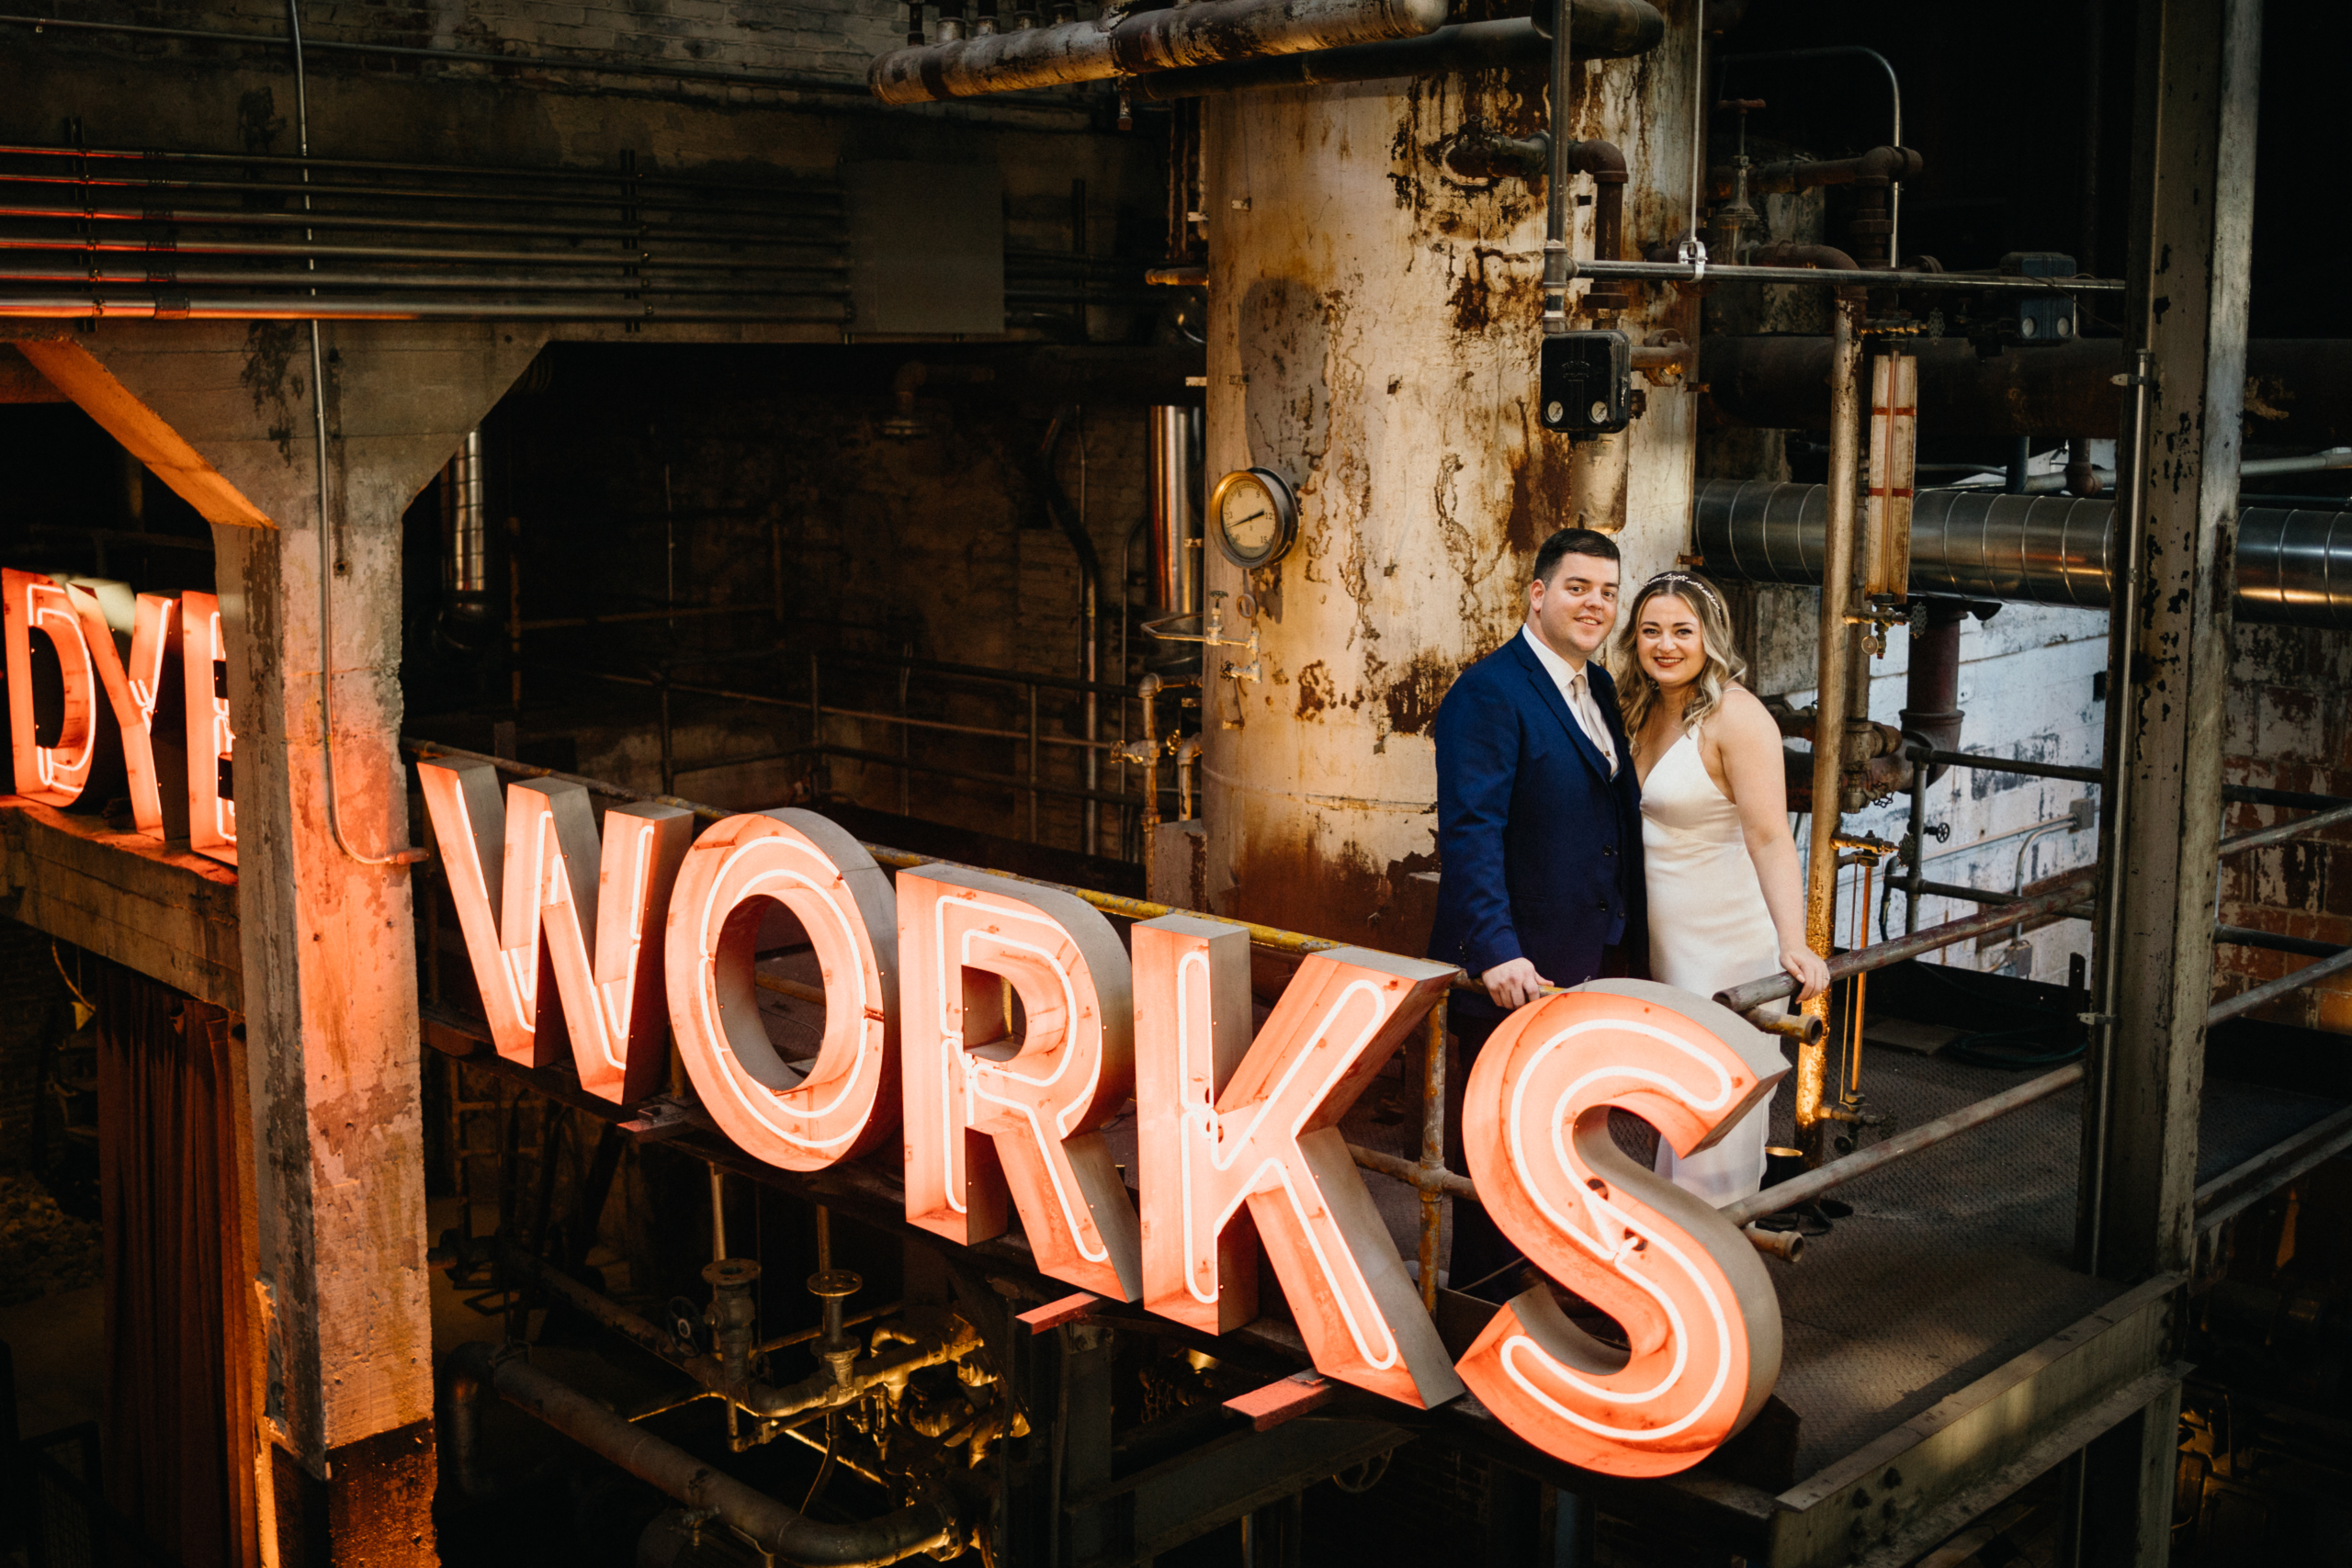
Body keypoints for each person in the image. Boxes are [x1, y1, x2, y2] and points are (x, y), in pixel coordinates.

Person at [1428, 527, 1644, 1296]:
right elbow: (1471, 828)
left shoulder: (1598, 687)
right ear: (1538, 594)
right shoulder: (1490, 692)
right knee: (1496, 1146)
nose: (1595, 604)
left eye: (1608, 592)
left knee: (1561, 1139)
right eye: (1578, 587)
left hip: (1584, 958)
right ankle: (1486, 1307)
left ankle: (1553, 1287)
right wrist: (1496, 949)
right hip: (1515, 969)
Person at [1607, 570, 1829, 1204]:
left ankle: (1718, 1269)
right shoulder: (1634, 705)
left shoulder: (1739, 717)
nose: (1665, 644)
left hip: (1729, 942)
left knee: (1720, 1108)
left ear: (1711, 638)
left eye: (1683, 630)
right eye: (1651, 630)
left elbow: (1769, 836)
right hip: (1663, 943)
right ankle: (1669, 1259)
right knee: (1673, 1104)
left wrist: (1796, 940)